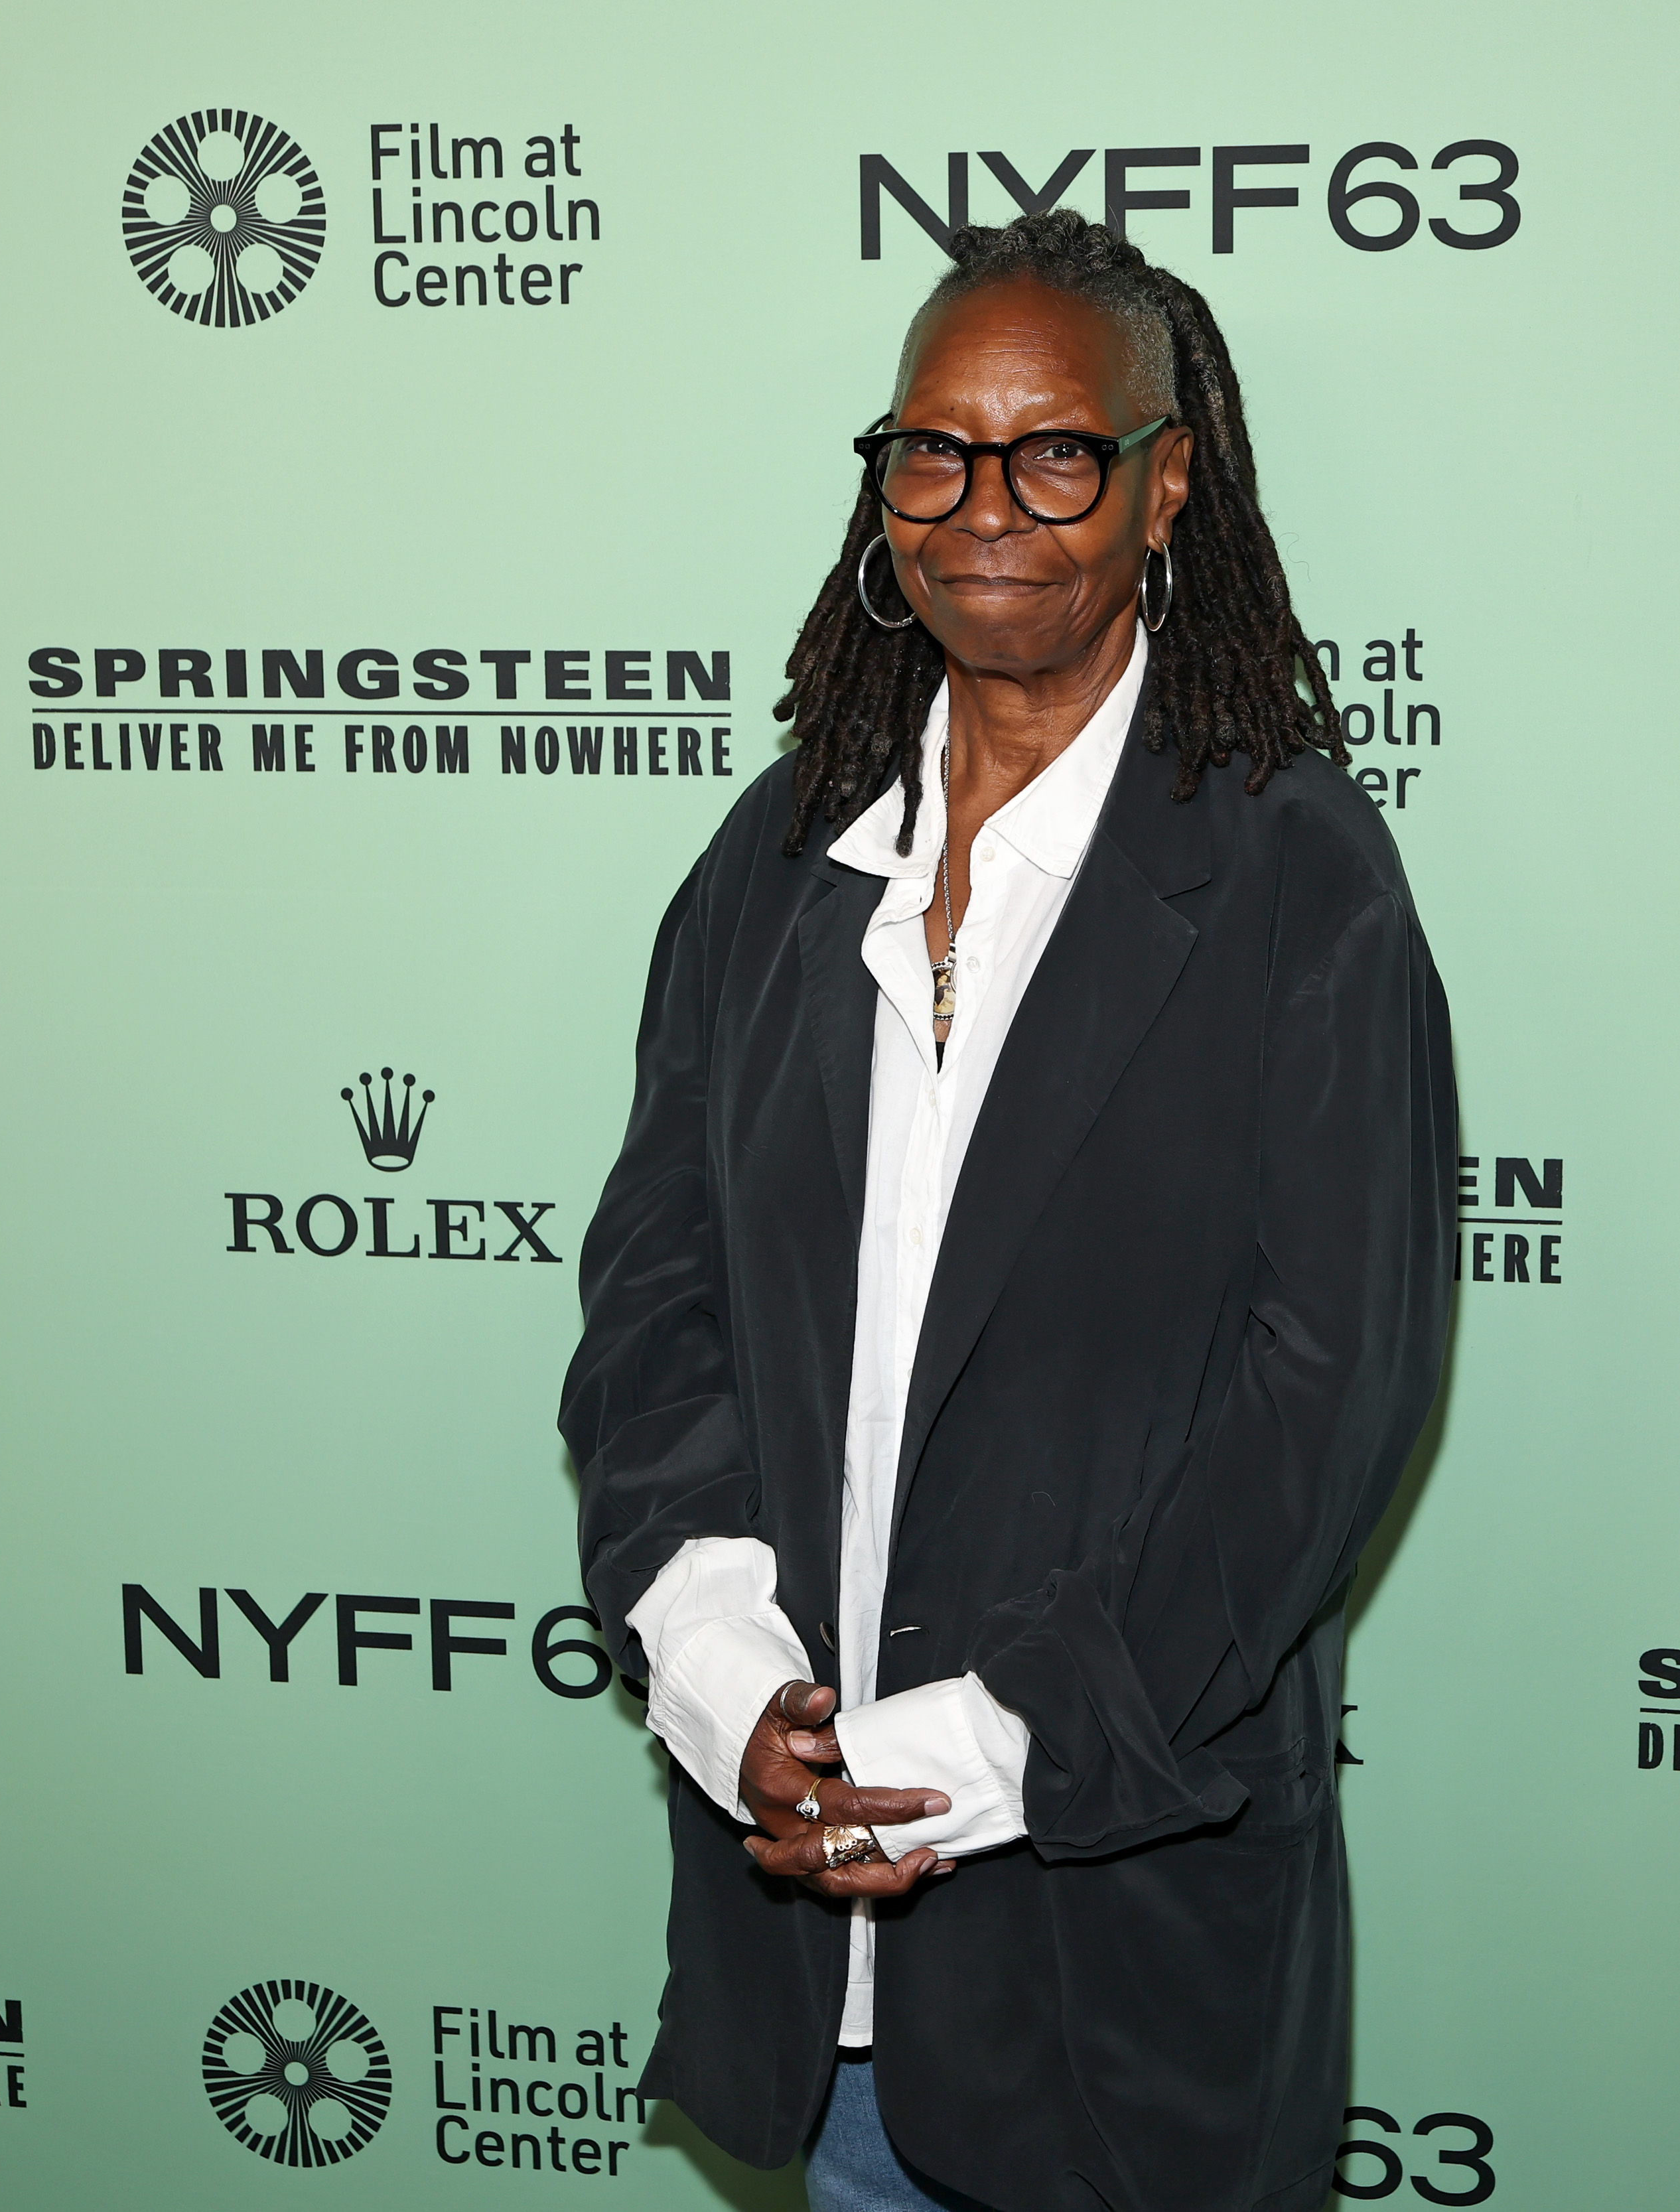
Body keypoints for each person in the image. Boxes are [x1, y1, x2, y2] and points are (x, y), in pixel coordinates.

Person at [562, 208, 1455, 2212]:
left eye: (1058, 451)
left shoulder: (1298, 874)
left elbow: (1323, 1410)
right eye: (932, 453)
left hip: (1106, 1961)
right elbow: (655, 1299)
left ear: (1167, 484)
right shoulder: (786, 854)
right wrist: (718, 1669)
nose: (988, 508)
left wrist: (971, 1757)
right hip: (819, 1967)